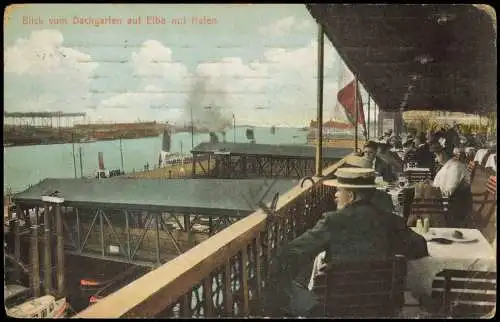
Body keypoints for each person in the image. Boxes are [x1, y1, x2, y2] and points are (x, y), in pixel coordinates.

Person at [261, 168, 429, 317]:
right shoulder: (391, 220)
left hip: (335, 307)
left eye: (339, 190)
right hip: (379, 305)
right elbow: (420, 246)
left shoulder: (332, 221)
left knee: (282, 285)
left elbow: (293, 252)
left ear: (351, 196)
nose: (335, 195)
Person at [429, 141, 473, 227]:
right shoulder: (449, 165)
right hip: (448, 202)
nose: (436, 159)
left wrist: (431, 190)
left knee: (416, 202)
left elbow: (447, 192)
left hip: (455, 207)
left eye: (437, 155)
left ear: (444, 153)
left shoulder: (456, 167)